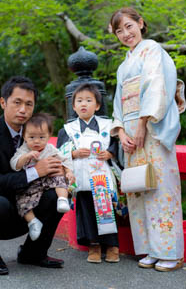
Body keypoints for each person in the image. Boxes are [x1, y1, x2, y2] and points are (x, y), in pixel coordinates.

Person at [0, 76, 65, 275]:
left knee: (56, 196)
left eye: (29, 104)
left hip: (25, 208)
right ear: (3, 102)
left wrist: (64, 172)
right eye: (17, 102)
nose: (23, 110)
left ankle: (33, 253)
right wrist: (37, 171)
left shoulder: (35, 134)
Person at [109, 7, 185, 272]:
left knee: (160, 188)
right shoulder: (123, 66)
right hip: (130, 134)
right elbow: (119, 102)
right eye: (119, 30)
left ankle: (169, 251)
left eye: (129, 26)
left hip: (152, 129)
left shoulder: (153, 49)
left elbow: (157, 85)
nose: (125, 34)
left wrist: (142, 123)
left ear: (141, 24)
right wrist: (121, 132)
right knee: (138, 189)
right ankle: (149, 248)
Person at [57, 83, 120, 264]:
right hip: (81, 177)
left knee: (106, 209)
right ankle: (93, 245)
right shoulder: (68, 130)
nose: (84, 104)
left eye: (88, 100)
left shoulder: (108, 126)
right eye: (79, 101)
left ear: (97, 106)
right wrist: (74, 154)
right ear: (74, 106)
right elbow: (59, 153)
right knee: (86, 211)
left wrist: (110, 153)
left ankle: (112, 246)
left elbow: (116, 146)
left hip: (101, 175)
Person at [10, 113, 75, 241]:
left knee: (60, 179)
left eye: (41, 137)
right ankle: (33, 222)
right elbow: (14, 164)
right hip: (31, 184)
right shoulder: (24, 150)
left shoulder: (50, 149)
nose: (36, 141)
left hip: (49, 179)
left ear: (48, 136)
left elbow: (64, 160)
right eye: (32, 137)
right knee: (21, 201)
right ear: (24, 136)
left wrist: (69, 171)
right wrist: (25, 157)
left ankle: (62, 199)